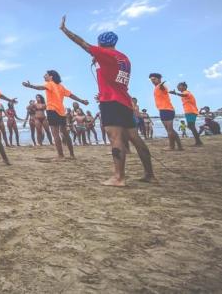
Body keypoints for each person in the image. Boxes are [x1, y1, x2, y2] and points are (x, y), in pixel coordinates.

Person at [60, 17, 156, 186]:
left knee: (115, 138)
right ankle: (150, 174)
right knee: (135, 137)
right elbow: (111, 71)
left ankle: (119, 177)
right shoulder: (123, 57)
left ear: (101, 43)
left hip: (111, 101)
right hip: (124, 100)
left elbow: (82, 43)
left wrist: (65, 30)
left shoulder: (105, 53)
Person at [23, 70, 87, 160]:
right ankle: (72, 155)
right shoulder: (61, 86)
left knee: (55, 134)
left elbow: (40, 88)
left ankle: (61, 156)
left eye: (46, 75)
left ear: (51, 77)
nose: (44, 76)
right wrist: (82, 101)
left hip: (52, 111)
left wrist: (30, 86)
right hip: (61, 112)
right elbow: (71, 95)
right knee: (65, 133)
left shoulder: (50, 83)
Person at [149, 73, 183, 151]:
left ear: (159, 79)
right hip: (163, 110)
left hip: (167, 110)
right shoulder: (156, 87)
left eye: (154, 79)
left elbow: (162, 87)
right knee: (170, 130)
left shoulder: (162, 86)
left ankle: (171, 146)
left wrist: (161, 84)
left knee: (170, 130)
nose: (152, 81)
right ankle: (179, 146)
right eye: (151, 80)